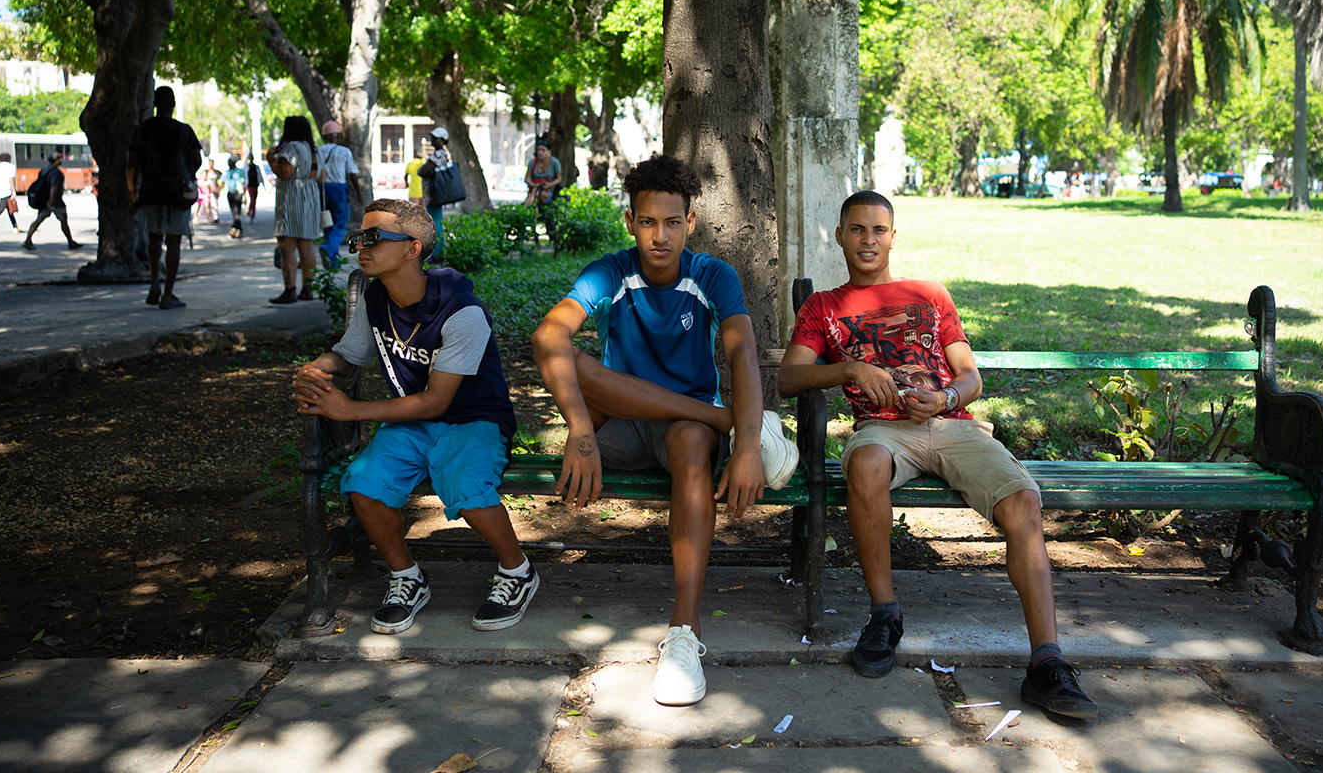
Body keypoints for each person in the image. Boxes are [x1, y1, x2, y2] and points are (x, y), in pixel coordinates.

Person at [777, 190, 1097, 720]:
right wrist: (851, 370)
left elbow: (970, 376)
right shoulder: (823, 307)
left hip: (951, 423)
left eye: (878, 230)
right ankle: (885, 615)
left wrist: (947, 397)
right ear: (839, 236)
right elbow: (790, 377)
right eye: (857, 229)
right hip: (884, 430)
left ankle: (1047, 662)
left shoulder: (930, 294)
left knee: (1022, 502)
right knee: (864, 464)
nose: (868, 240)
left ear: (893, 237)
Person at [530, 154, 798, 706]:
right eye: (647, 222)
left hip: (685, 429)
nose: (659, 236)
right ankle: (724, 419)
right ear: (630, 221)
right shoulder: (609, 272)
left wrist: (745, 446)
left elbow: (742, 350)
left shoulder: (711, 276)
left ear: (690, 223)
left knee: (695, 443)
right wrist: (580, 433)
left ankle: (684, 634)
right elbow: (546, 338)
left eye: (672, 222)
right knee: (573, 359)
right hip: (622, 428)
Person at [290, 199, 537, 635]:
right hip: (413, 421)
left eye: (373, 238)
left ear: (413, 249)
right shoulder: (376, 296)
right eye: (357, 238)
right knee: (364, 483)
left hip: (474, 420)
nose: (359, 247)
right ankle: (407, 577)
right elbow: (351, 355)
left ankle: (518, 572)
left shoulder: (462, 312)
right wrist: (319, 368)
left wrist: (350, 410)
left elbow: (437, 402)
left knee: (464, 484)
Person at [127, 87, 203, 309]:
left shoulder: (142, 130)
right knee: (174, 242)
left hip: (150, 192)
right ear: (173, 104)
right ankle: (168, 295)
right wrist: (184, 175)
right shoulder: (183, 131)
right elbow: (196, 160)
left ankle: (154, 282)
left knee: (154, 240)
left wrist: (132, 193)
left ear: (154, 104)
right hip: (178, 194)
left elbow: (131, 164)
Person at [266, 115, 322, 305]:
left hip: (291, 199)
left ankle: (289, 290)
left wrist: (270, 159)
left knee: (286, 245)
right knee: (306, 246)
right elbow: (320, 177)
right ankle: (308, 289)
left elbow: (284, 171)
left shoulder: (292, 148)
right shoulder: (315, 151)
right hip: (310, 198)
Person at [317, 119, 363, 267]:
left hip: (322, 190)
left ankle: (333, 261)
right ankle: (328, 248)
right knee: (340, 223)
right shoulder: (344, 151)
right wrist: (359, 193)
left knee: (328, 223)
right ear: (338, 136)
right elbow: (353, 174)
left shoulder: (318, 151)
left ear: (324, 136)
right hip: (338, 190)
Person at [21, 152, 82, 250]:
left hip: (43, 200)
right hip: (54, 201)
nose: (61, 160)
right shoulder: (56, 172)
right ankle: (71, 242)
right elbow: (54, 185)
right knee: (63, 220)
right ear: (56, 160)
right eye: (59, 158)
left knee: (39, 219)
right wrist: (52, 199)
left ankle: (28, 240)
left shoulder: (44, 169)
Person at [415, 127, 453, 258]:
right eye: (432, 137)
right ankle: (440, 251)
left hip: (434, 193)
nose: (433, 140)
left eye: (436, 138)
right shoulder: (444, 154)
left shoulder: (438, 154)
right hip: (439, 193)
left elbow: (422, 171)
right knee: (438, 222)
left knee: (433, 223)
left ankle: (436, 253)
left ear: (443, 140)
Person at [523, 139, 562, 206]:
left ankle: (525, 209)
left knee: (536, 192)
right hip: (532, 190)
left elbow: (559, 178)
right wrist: (535, 185)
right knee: (535, 192)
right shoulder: (532, 162)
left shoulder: (555, 162)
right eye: (539, 150)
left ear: (549, 151)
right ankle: (531, 211)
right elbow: (526, 179)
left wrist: (549, 185)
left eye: (543, 150)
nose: (540, 152)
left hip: (547, 192)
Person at [221, 155, 247, 238]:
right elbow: (222, 182)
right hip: (230, 193)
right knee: (234, 212)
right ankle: (239, 229)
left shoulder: (240, 171)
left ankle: (234, 228)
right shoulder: (226, 172)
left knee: (236, 211)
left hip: (238, 193)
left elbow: (243, 184)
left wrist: (245, 196)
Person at [405, 141, 426, 208]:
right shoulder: (425, 163)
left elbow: (405, 176)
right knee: (424, 214)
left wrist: (407, 184)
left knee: (413, 214)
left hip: (413, 193)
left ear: (414, 153)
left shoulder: (410, 164)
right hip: (424, 192)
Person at [197, 159, 219, 223]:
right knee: (207, 205)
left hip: (214, 189)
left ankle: (215, 216)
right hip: (207, 191)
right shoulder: (206, 172)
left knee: (214, 204)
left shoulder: (216, 172)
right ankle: (209, 217)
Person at [246, 154, 261, 220]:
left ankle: (252, 214)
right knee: (252, 200)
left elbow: (259, 175)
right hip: (250, 185)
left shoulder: (256, 167)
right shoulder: (247, 167)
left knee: (254, 200)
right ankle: (250, 213)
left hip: (255, 185)